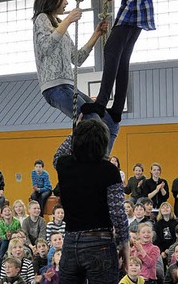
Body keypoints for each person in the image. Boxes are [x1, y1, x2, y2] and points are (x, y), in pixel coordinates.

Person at [31, 0, 119, 151]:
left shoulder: (59, 23)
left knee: (111, 123)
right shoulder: (41, 19)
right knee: (91, 119)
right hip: (54, 87)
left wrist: (96, 34)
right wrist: (69, 20)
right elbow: (46, 47)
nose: (66, 2)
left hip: (69, 85)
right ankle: (92, 161)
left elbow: (77, 58)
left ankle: (103, 158)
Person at [53, 118, 130, 283]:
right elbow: (117, 212)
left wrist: (75, 131)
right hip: (100, 242)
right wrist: (125, 243)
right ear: (103, 143)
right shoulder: (109, 170)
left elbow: (59, 154)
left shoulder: (65, 165)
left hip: (71, 242)